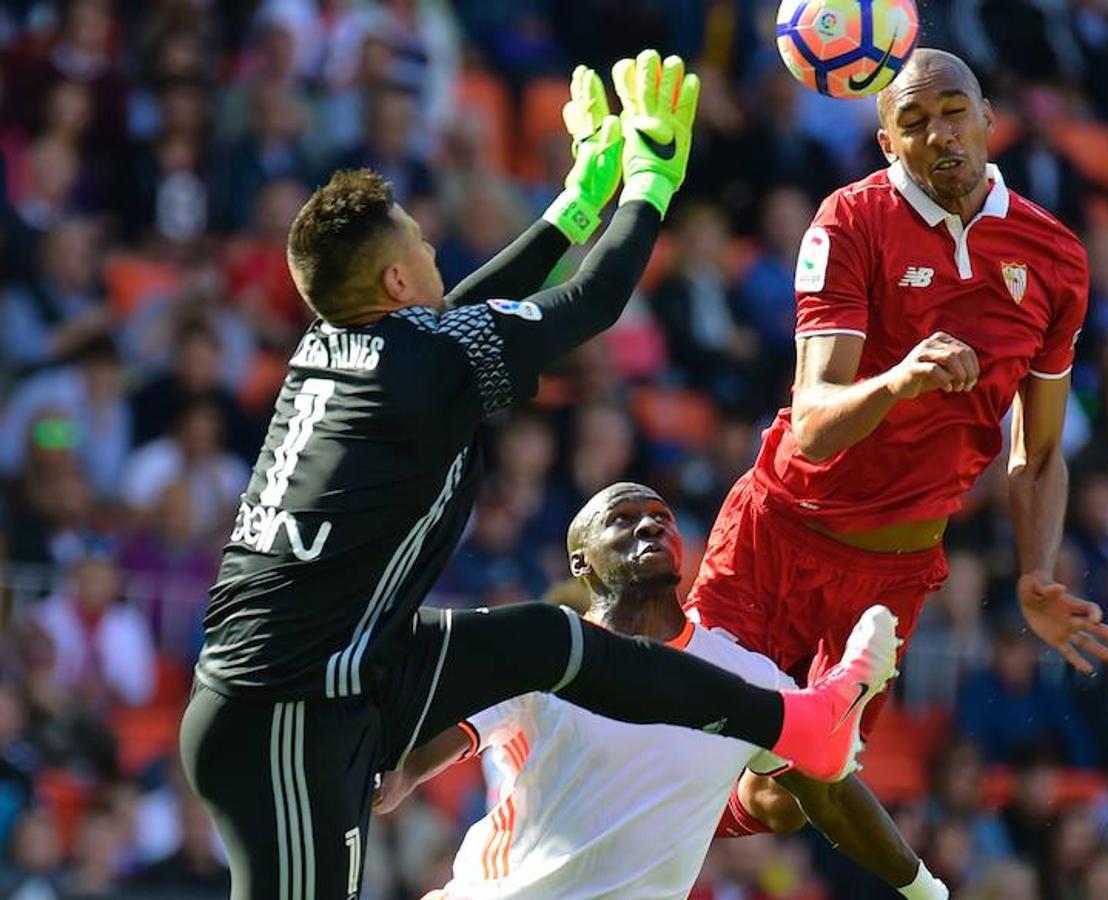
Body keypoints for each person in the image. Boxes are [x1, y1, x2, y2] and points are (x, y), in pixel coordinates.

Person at [180, 53, 894, 900]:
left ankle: (801, 726)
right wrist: (648, 186)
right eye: (418, 237)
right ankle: (799, 725)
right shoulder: (419, 362)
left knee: (544, 642)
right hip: (289, 712)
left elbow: (457, 325)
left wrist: (574, 204)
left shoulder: (341, 350)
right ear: (396, 280)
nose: (433, 241)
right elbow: (592, 303)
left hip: (342, 667)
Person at [682, 47, 1108, 834]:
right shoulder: (849, 220)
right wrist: (898, 382)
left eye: (953, 111)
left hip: (889, 579)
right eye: (912, 123)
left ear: (988, 118)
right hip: (777, 537)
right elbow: (811, 422)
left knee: (793, 799)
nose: (939, 134)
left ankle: (671, 816)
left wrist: (1035, 570)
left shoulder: (1054, 257)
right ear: (888, 145)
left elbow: (1042, 451)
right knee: (678, 750)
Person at [384, 483, 948, 899]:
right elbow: (438, 747)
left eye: (662, 517)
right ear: (581, 561)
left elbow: (829, 795)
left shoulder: (744, 673)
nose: (649, 526)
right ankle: (835, 696)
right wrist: (400, 775)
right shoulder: (546, 654)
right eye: (623, 519)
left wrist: (926, 890)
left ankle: (829, 703)